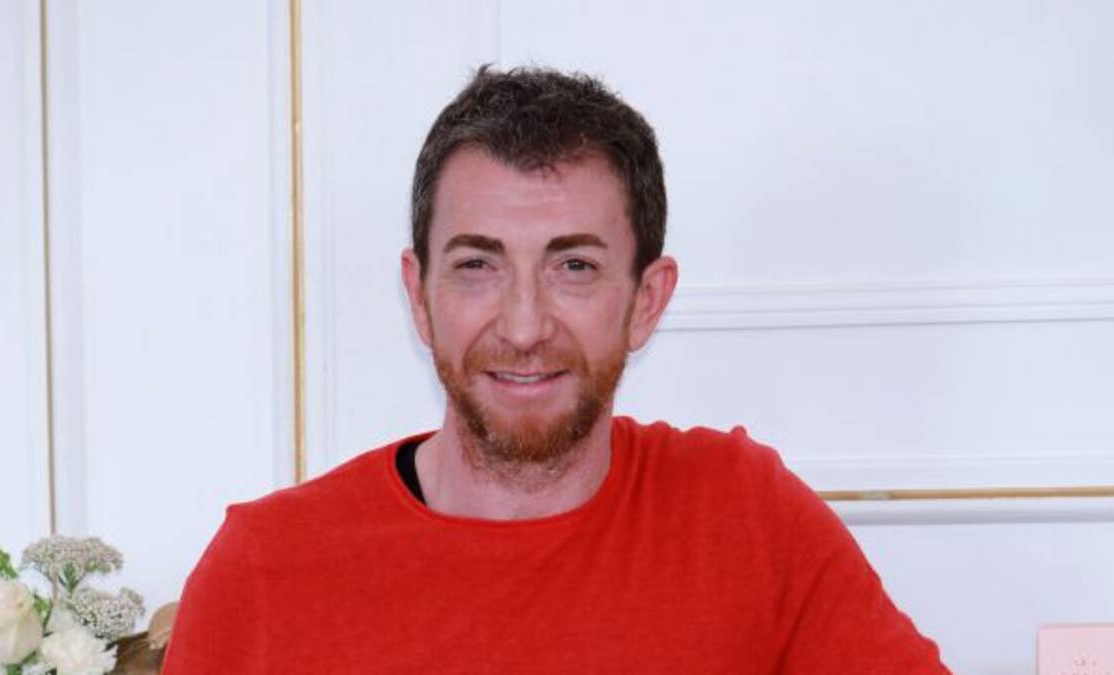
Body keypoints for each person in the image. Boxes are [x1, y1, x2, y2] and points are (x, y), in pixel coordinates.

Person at [162, 66, 950, 673]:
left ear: (646, 300)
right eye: (477, 265)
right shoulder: (264, 569)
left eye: (573, 266)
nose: (524, 326)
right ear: (419, 294)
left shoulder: (746, 518)